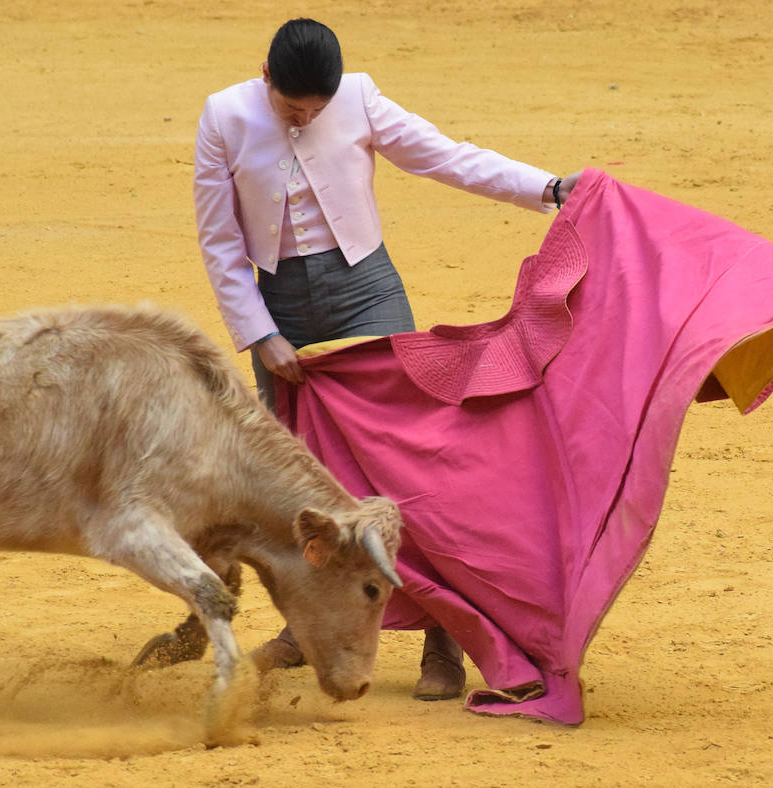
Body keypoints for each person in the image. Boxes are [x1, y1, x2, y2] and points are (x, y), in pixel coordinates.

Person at [192, 17, 582, 700]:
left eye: (316, 109)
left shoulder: (360, 97)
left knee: (411, 469)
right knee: (294, 479)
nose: (307, 117)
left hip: (366, 294)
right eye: (293, 109)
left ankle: (445, 640)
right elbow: (220, 240)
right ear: (266, 77)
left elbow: (447, 156)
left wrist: (547, 189)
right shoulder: (224, 116)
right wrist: (259, 332)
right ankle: (301, 629)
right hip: (280, 305)